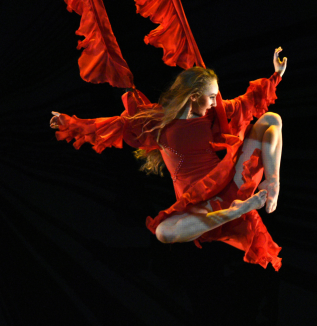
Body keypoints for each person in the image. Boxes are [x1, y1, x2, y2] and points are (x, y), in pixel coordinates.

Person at [51, 48, 288, 270]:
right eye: (212, 97)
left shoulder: (212, 114)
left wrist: (276, 75)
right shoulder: (158, 122)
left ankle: (273, 183)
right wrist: (70, 124)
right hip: (202, 210)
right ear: (194, 96)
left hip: (231, 183)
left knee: (272, 120)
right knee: (163, 232)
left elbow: (247, 101)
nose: (216, 102)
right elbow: (115, 124)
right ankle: (240, 210)